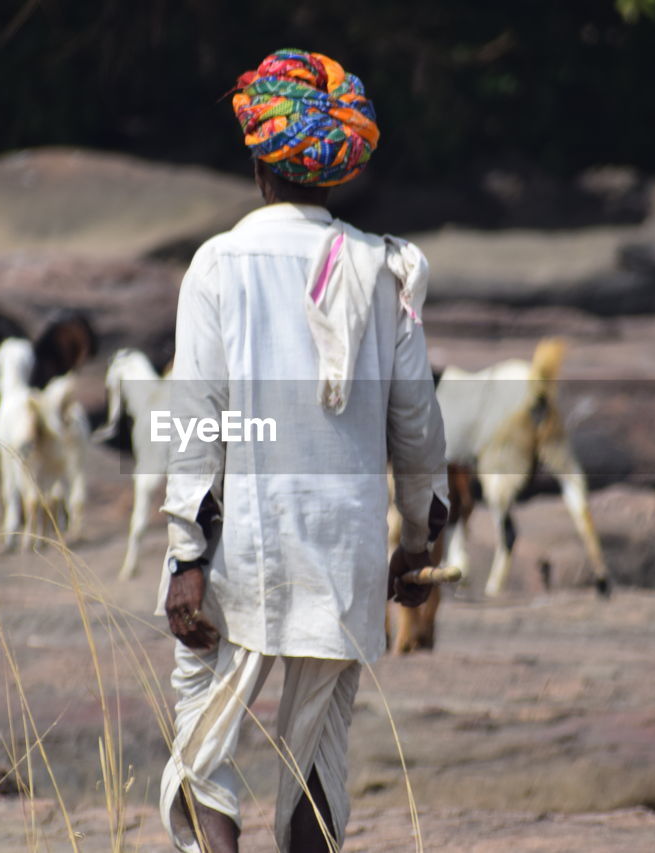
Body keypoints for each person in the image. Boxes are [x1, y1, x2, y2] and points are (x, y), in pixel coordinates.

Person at [158, 48, 448, 853]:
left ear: (260, 161)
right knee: (319, 749)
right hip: (343, 547)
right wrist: (421, 540)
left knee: (204, 735)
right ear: (338, 170)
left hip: (235, 549)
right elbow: (417, 422)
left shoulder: (219, 265)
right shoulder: (383, 268)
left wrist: (186, 553)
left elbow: (198, 418)